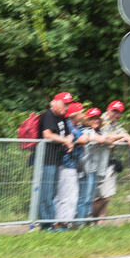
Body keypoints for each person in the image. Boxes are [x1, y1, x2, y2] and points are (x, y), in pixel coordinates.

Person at [36, 91, 73, 230]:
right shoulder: (48, 115)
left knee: (52, 193)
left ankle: (51, 223)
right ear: (55, 102)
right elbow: (47, 135)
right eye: (65, 104)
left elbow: (68, 134)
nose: (67, 107)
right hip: (46, 159)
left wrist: (69, 140)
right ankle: (46, 225)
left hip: (56, 159)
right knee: (46, 193)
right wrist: (65, 140)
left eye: (68, 104)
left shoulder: (62, 118)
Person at [93, 100, 130, 221]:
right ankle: (87, 218)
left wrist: (121, 138)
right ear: (108, 110)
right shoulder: (100, 120)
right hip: (96, 162)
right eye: (114, 111)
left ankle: (100, 224)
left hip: (108, 161)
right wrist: (122, 137)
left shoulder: (115, 124)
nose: (117, 114)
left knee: (108, 196)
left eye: (119, 112)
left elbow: (127, 137)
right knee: (98, 196)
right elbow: (105, 138)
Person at [55, 102, 84, 230]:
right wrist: (81, 139)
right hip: (66, 164)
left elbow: (83, 138)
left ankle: (67, 222)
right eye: (80, 113)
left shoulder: (78, 127)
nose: (83, 115)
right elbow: (81, 139)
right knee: (65, 195)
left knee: (72, 196)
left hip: (73, 165)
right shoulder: (68, 125)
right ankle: (61, 223)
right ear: (74, 115)